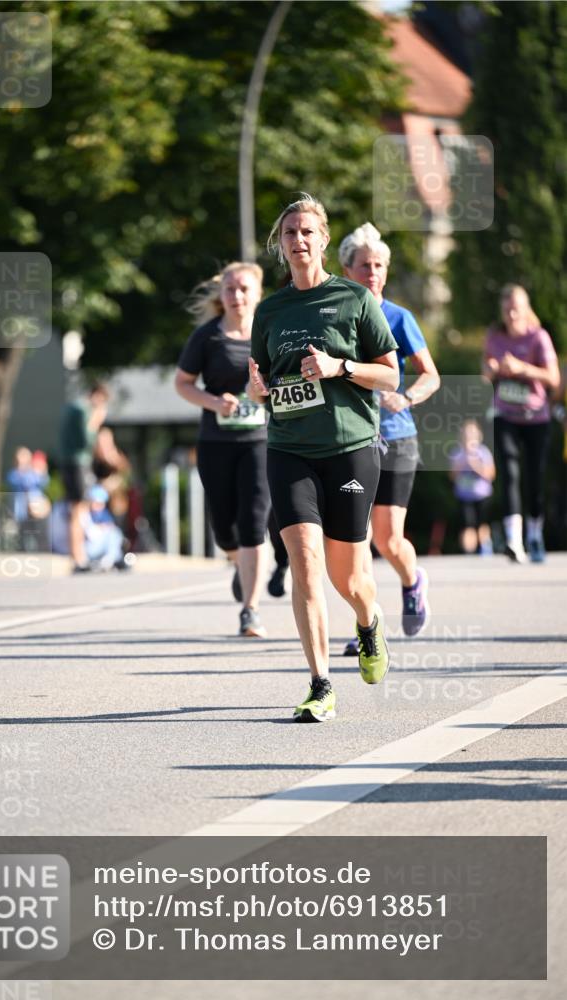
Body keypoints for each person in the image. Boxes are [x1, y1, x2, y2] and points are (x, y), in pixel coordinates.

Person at [248, 194, 399, 722]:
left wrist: (339, 367)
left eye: (307, 231)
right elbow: (263, 385)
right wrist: (258, 389)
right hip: (289, 450)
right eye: (289, 232)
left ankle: (368, 621)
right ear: (281, 244)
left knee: (350, 580)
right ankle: (320, 684)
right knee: (305, 564)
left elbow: (390, 375)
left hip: (350, 450)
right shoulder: (269, 311)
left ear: (324, 239)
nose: (298, 240)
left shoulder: (356, 300)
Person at [338, 222, 440, 653]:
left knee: (387, 538)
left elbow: (430, 375)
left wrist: (407, 397)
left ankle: (413, 580)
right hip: (352, 440)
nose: (373, 272)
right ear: (347, 269)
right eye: (365, 265)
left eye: (379, 265)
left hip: (397, 438)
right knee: (354, 535)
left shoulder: (400, 318)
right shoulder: (339, 318)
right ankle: (367, 624)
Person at [175, 262, 272, 637]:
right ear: (221, 294)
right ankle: (237, 561)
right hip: (216, 442)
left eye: (245, 289)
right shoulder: (207, 337)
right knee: (223, 528)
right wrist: (215, 403)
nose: (237, 296)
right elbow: (183, 383)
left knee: (253, 521)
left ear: (258, 294)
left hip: (260, 441)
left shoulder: (269, 334)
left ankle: (250, 610)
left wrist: (261, 394)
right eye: (230, 289)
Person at [483, 284, 560, 563]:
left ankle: (535, 535)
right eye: (507, 308)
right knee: (510, 474)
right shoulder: (494, 335)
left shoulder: (538, 337)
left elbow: (554, 379)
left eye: (516, 307)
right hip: (505, 415)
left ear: (526, 309)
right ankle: (514, 541)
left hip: (536, 417)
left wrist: (522, 369)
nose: (512, 312)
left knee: (534, 478)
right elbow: (485, 370)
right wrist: (491, 371)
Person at [58, 383, 109, 572]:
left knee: (76, 509)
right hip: (77, 463)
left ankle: (78, 556)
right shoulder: (82, 410)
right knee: (79, 510)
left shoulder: (72, 407)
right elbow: (86, 439)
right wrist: (96, 421)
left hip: (69, 462)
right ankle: (78, 558)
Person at [449, 419, 495, 555]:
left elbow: (491, 474)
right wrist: (461, 465)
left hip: (482, 495)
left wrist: (475, 465)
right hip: (464, 495)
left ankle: (485, 549)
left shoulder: (483, 452)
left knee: (482, 523)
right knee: (467, 524)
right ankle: (468, 552)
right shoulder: (457, 453)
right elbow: (452, 476)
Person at [79, 484, 125, 571]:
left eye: (101, 504)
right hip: (89, 548)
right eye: (96, 503)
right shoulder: (85, 513)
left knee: (115, 534)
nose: (98, 506)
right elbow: (89, 533)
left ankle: (111, 560)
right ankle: (111, 560)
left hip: (100, 545)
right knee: (114, 534)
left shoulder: (104, 514)